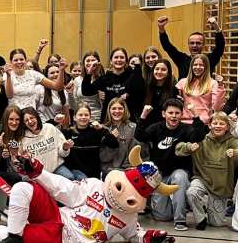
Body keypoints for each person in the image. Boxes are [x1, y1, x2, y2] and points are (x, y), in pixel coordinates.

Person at [0, 147, 176, 243]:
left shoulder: (129, 216)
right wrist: (37, 171)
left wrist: (150, 239)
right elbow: (64, 189)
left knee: (6, 233)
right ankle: (15, 236)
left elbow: (133, 235)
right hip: (57, 215)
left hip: (59, 236)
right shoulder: (94, 186)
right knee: (22, 187)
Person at [135, 98, 206, 231]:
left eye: (177, 113)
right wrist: (143, 115)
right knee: (162, 216)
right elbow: (140, 136)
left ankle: (180, 220)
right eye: (170, 113)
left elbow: (199, 136)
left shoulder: (186, 129)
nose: (173, 116)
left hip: (179, 170)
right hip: (160, 173)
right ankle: (170, 209)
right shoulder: (156, 128)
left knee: (180, 177)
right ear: (164, 114)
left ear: (181, 114)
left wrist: (195, 115)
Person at [176, 111, 238, 230]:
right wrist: (188, 147)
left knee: (216, 224)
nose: (218, 126)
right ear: (209, 125)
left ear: (227, 127)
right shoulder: (201, 138)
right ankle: (201, 218)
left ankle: (206, 206)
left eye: (222, 123)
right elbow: (178, 148)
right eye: (215, 123)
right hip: (202, 180)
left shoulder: (232, 141)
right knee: (192, 192)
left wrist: (235, 152)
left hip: (221, 188)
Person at [81, 47, 145, 123]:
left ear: (126, 61)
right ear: (111, 61)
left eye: (122, 57)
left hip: (127, 120)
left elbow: (139, 89)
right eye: (116, 57)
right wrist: (89, 73)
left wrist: (137, 66)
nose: (119, 60)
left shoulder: (131, 76)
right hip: (108, 120)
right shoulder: (104, 78)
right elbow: (86, 91)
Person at [62, 102, 119, 180]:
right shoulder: (68, 132)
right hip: (75, 173)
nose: (83, 117)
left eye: (86, 115)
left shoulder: (96, 131)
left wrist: (102, 129)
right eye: (80, 115)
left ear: (90, 117)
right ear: (74, 117)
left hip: (94, 173)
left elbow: (113, 144)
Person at [157, 16, 225, 79]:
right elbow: (168, 47)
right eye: (192, 43)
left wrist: (217, 28)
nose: (194, 45)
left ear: (203, 45)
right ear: (188, 45)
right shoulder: (182, 60)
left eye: (198, 43)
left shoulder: (209, 60)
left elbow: (220, 47)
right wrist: (161, 28)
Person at [20, 107, 73, 179]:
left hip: (56, 168)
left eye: (32, 118)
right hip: (38, 174)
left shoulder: (50, 128)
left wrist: (65, 148)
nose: (30, 121)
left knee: (70, 178)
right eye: (26, 120)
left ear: (37, 117)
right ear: (24, 124)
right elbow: (22, 163)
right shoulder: (23, 139)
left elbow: (63, 154)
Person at [176, 54, 225, 125]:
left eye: (201, 65)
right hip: (184, 122)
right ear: (191, 67)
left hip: (203, 123)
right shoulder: (182, 82)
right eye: (195, 65)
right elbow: (173, 101)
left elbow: (217, 108)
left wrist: (220, 86)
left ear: (206, 67)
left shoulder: (212, 83)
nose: (198, 67)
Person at [100, 97, 138, 179]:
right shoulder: (103, 129)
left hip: (128, 171)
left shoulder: (133, 127)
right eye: (114, 108)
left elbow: (134, 152)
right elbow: (104, 157)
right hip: (109, 171)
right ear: (109, 110)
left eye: (120, 108)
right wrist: (112, 140)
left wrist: (126, 170)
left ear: (125, 110)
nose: (117, 111)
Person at [0, 104, 23, 185]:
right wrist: (1, 148)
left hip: (20, 170)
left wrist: (14, 155)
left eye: (17, 119)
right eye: (11, 119)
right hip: (2, 172)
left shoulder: (23, 132)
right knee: (16, 178)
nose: (14, 122)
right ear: (5, 119)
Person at [69, 50, 104, 122]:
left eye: (93, 60)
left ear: (98, 63)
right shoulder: (77, 80)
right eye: (88, 61)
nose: (90, 63)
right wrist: (70, 94)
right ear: (83, 63)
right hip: (81, 117)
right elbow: (74, 105)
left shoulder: (102, 79)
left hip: (97, 117)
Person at [142, 59, 179, 126]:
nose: (159, 72)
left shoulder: (174, 90)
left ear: (168, 72)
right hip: (148, 126)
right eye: (157, 69)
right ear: (153, 71)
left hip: (166, 127)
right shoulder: (146, 87)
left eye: (163, 70)